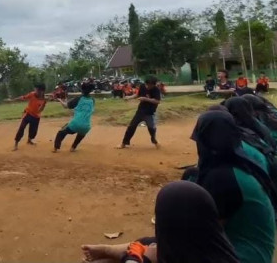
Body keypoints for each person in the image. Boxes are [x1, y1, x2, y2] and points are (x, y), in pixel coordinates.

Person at [191, 111, 276, 263]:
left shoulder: (221, 177)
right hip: (257, 250)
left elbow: (209, 230)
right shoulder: (238, 163)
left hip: (244, 256)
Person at [81, 181, 239, 263]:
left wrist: (137, 259)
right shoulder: (216, 247)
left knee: (146, 249)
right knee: (147, 242)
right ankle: (108, 249)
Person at [117, 76, 161, 149]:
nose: (147, 87)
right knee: (131, 127)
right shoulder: (142, 86)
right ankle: (124, 143)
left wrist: (146, 99)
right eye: (147, 84)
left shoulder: (156, 90)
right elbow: (137, 95)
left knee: (151, 128)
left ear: (154, 85)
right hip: (140, 111)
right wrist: (129, 97)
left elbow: (157, 101)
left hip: (149, 112)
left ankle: (154, 141)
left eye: (150, 85)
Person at [53, 82, 95, 152]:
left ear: (82, 90)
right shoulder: (92, 100)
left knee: (61, 132)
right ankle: (73, 148)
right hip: (87, 126)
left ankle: (55, 148)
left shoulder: (79, 98)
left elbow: (65, 106)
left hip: (75, 124)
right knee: (81, 133)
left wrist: (60, 100)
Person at [7, 84, 47, 151]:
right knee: (22, 127)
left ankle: (29, 140)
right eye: (35, 89)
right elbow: (23, 97)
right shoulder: (32, 94)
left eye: (37, 90)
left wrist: (44, 104)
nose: (35, 91)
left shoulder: (43, 99)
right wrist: (13, 100)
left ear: (42, 91)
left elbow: (39, 110)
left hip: (36, 116)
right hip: (28, 114)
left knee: (33, 131)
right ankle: (16, 144)